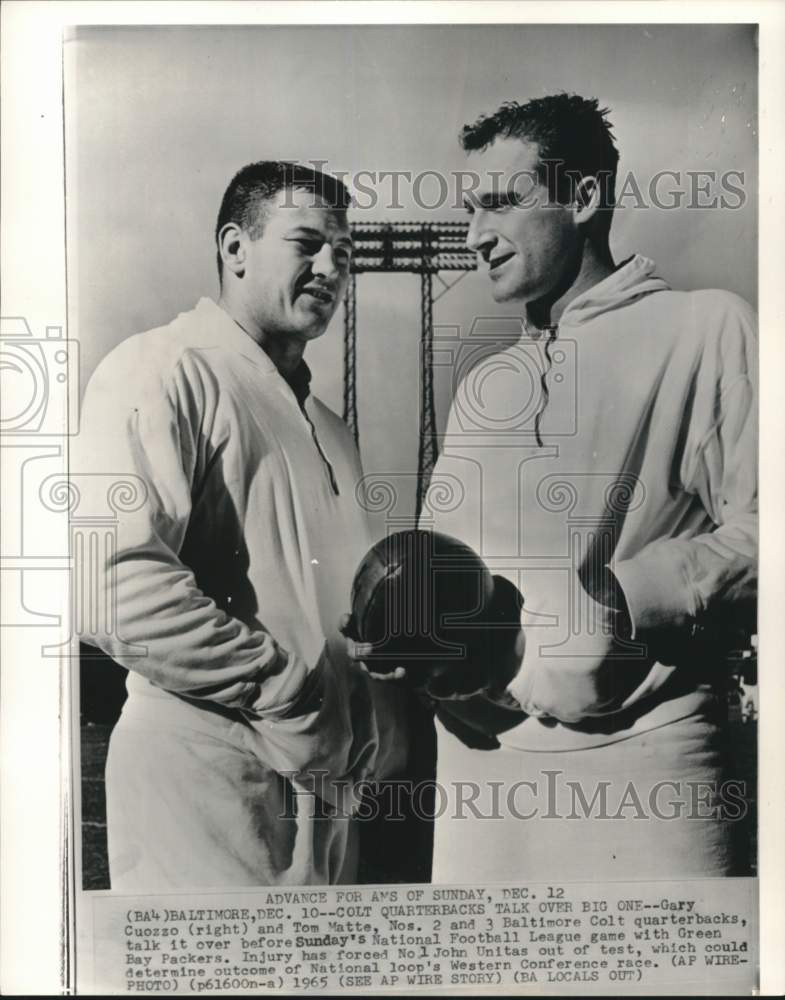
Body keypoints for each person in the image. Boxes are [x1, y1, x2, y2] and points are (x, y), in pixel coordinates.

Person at [423, 95, 757, 880]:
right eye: (471, 210)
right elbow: (442, 566)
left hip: (651, 764)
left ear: (581, 198)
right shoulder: (484, 383)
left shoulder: (706, 327)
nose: (475, 237)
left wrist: (630, 594)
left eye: (501, 204)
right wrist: (407, 624)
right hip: (483, 766)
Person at [76, 161, 406, 889]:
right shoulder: (160, 367)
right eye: (307, 243)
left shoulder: (330, 427)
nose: (331, 268)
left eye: (344, 254)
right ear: (235, 247)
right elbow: (110, 586)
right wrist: (290, 691)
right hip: (204, 781)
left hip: (321, 798)